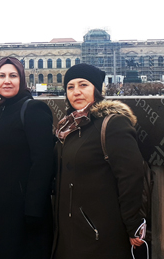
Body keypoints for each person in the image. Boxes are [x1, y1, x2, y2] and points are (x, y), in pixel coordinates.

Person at [53, 63, 145, 259]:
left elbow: (131, 176)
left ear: (96, 89)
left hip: (99, 234)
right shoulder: (70, 125)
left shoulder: (112, 124)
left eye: (83, 85)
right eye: (70, 87)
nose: (76, 92)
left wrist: (133, 224)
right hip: (70, 231)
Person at [0, 57, 55, 259]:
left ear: (22, 79)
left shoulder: (33, 109)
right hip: (0, 210)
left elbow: (43, 162)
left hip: (25, 211)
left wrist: (33, 210)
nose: (7, 81)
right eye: (1, 76)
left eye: (13, 76)